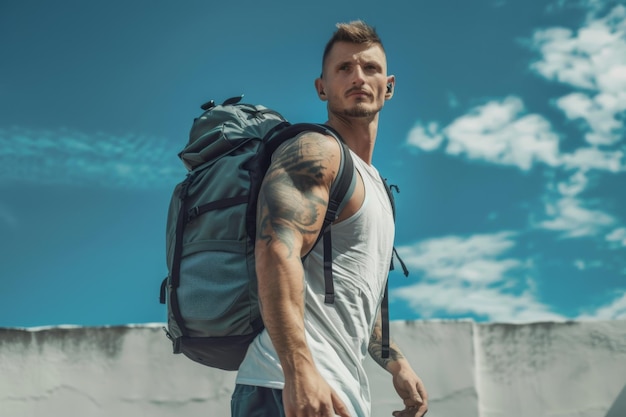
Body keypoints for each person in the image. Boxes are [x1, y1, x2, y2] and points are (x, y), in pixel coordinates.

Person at [232, 20, 428, 417]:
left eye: (370, 68)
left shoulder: (376, 187)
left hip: (339, 393)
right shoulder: (315, 151)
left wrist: (395, 361)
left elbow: (355, 294)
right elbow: (274, 248)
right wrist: (299, 371)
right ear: (322, 87)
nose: (358, 77)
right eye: (344, 69)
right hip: (285, 385)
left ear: (388, 86)